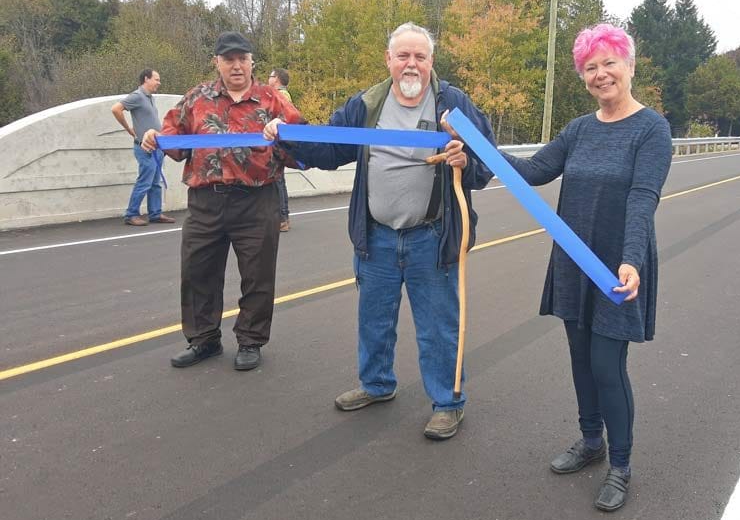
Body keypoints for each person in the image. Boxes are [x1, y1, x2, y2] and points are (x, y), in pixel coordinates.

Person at [264, 22, 495, 440]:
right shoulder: (368, 104)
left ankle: (447, 402)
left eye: (419, 57)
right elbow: (330, 148)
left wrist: (466, 159)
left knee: (438, 327)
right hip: (377, 237)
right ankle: (376, 384)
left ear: (431, 62)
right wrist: (287, 136)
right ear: (388, 60)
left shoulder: (453, 103)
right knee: (374, 319)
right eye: (402, 56)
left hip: (433, 238)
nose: (411, 64)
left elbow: (487, 164)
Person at [492, 24, 671, 511]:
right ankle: (591, 442)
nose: (600, 74)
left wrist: (631, 259)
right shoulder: (579, 129)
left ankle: (621, 465)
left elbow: (642, 198)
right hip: (574, 260)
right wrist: (475, 149)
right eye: (590, 67)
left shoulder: (651, 129)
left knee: (606, 366)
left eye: (609, 62)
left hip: (615, 269)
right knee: (578, 359)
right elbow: (531, 173)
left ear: (630, 66)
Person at [141, 32, 302, 372]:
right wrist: (153, 137)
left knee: (258, 276)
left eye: (243, 58)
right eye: (229, 59)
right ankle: (204, 340)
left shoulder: (272, 99)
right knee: (198, 271)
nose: (237, 65)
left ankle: (250, 341)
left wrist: (284, 130)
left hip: (256, 199)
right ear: (217, 62)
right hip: (205, 201)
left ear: (251, 61)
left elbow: (301, 143)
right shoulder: (197, 98)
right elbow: (174, 139)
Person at [111, 69, 176, 226]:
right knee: (145, 181)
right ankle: (131, 214)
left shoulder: (150, 98)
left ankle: (155, 213)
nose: (159, 83)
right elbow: (116, 109)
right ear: (146, 79)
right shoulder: (137, 96)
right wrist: (129, 130)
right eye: (156, 79)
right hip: (144, 147)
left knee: (155, 182)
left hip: (157, 147)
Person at [268, 68, 294, 232]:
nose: (268, 79)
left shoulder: (280, 95)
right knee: (279, 181)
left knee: (278, 181)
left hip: (278, 143)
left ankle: (283, 218)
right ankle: (282, 217)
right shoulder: (282, 94)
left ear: (276, 78)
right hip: (278, 141)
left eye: (270, 76)